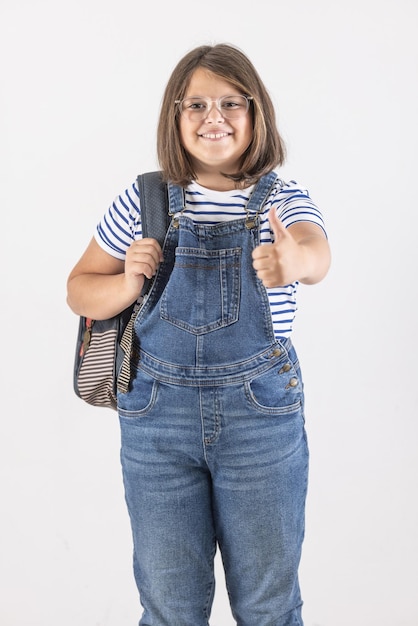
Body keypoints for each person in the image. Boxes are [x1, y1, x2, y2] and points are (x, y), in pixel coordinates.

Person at [67, 42, 331, 626]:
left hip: (260, 417)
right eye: (197, 105)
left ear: (256, 113)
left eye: (232, 103)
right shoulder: (143, 202)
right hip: (157, 420)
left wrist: (295, 262)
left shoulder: (281, 200)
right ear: (175, 117)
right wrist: (127, 285)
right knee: (170, 606)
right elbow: (80, 288)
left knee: (268, 605)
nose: (215, 117)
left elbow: (317, 253)